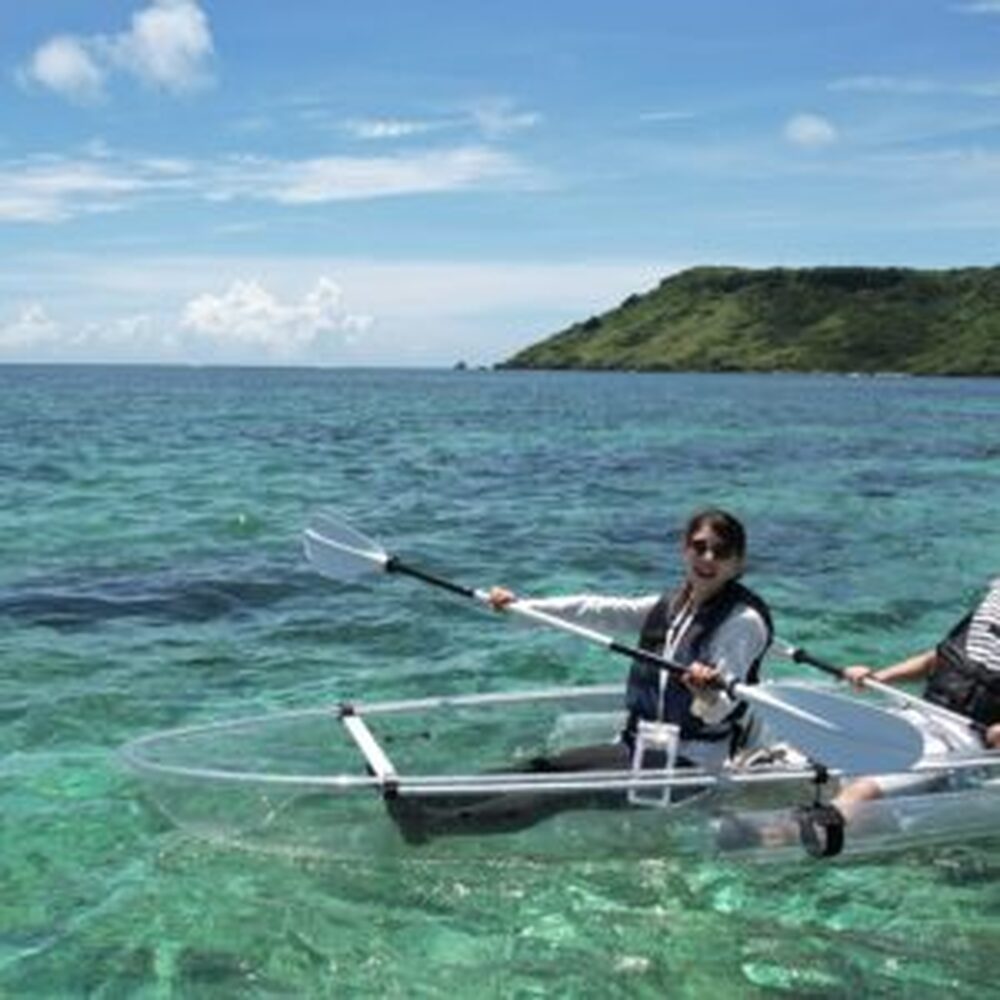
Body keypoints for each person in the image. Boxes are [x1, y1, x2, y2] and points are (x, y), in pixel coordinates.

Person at [387, 507, 774, 842]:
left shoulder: (743, 622)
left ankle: (430, 827)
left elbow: (722, 709)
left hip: (689, 768)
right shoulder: (674, 605)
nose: (708, 557)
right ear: (684, 549)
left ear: (737, 564)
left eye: (721, 552)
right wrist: (522, 607)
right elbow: (594, 610)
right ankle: (423, 799)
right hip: (640, 746)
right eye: (699, 546)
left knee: (561, 792)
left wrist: (704, 695)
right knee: (542, 768)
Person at [834, 576, 1000, 815]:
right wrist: (879, 677)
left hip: (962, 742)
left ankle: (809, 830)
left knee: (861, 792)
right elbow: (943, 658)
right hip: (919, 714)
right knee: (801, 755)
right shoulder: (994, 601)